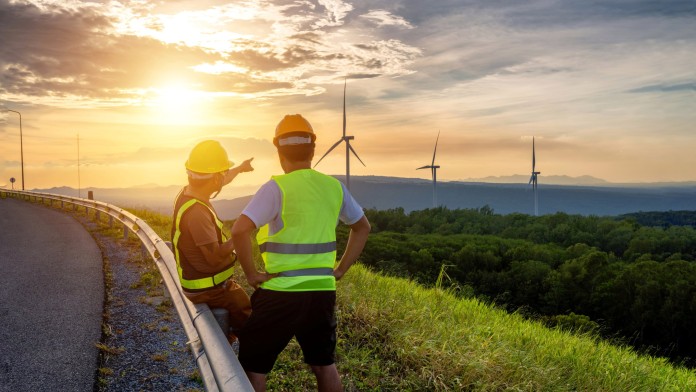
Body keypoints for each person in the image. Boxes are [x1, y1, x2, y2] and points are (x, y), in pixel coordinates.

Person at [231, 114, 371, 392]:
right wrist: (340, 270)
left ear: (280, 152)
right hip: (321, 291)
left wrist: (250, 274)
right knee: (323, 364)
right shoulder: (335, 187)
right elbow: (362, 227)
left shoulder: (275, 188)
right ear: (313, 150)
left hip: (280, 291)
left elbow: (238, 231)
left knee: (254, 364)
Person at [171, 140, 254, 340]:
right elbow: (214, 257)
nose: (225, 177)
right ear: (215, 178)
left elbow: (220, 180)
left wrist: (240, 169)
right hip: (209, 289)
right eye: (222, 174)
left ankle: (227, 343)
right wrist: (240, 233)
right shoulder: (197, 213)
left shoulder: (188, 192)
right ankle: (241, 365)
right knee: (251, 322)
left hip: (199, 282)